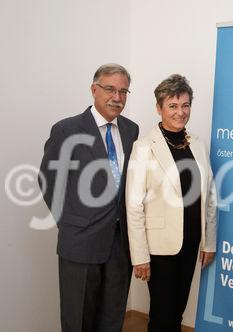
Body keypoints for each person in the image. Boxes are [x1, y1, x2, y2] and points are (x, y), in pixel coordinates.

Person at [38, 63, 139, 331]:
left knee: (112, 318)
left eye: (123, 91)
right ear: (94, 89)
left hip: (120, 244)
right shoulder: (67, 130)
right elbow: (48, 180)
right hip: (80, 243)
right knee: (78, 319)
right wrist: (71, 222)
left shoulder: (131, 130)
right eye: (110, 89)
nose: (117, 97)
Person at [126, 74, 217, 332]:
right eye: (173, 106)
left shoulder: (197, 144)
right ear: (159, 108)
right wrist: (140, 256)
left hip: (190, 242)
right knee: (163, 315)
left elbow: (209, 195)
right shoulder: (143, 147)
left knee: (177, 310)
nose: (180, 112)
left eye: (185, 105)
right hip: (159, 248)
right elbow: (134, 205)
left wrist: (208, 241)